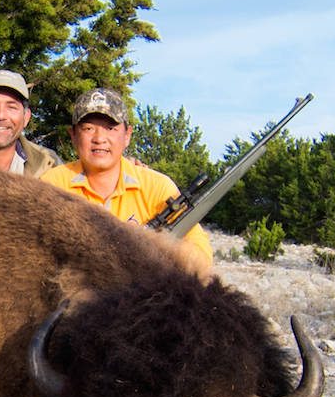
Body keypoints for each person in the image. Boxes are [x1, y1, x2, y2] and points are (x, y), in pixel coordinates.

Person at [39, 87, 214, 271]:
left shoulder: (156, 187)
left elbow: (201, 257)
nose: (99, 138)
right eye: (88, 128)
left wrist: (153, 247)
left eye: (110, 128)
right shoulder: (52, 185)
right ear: (73, 135)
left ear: (127, 135)